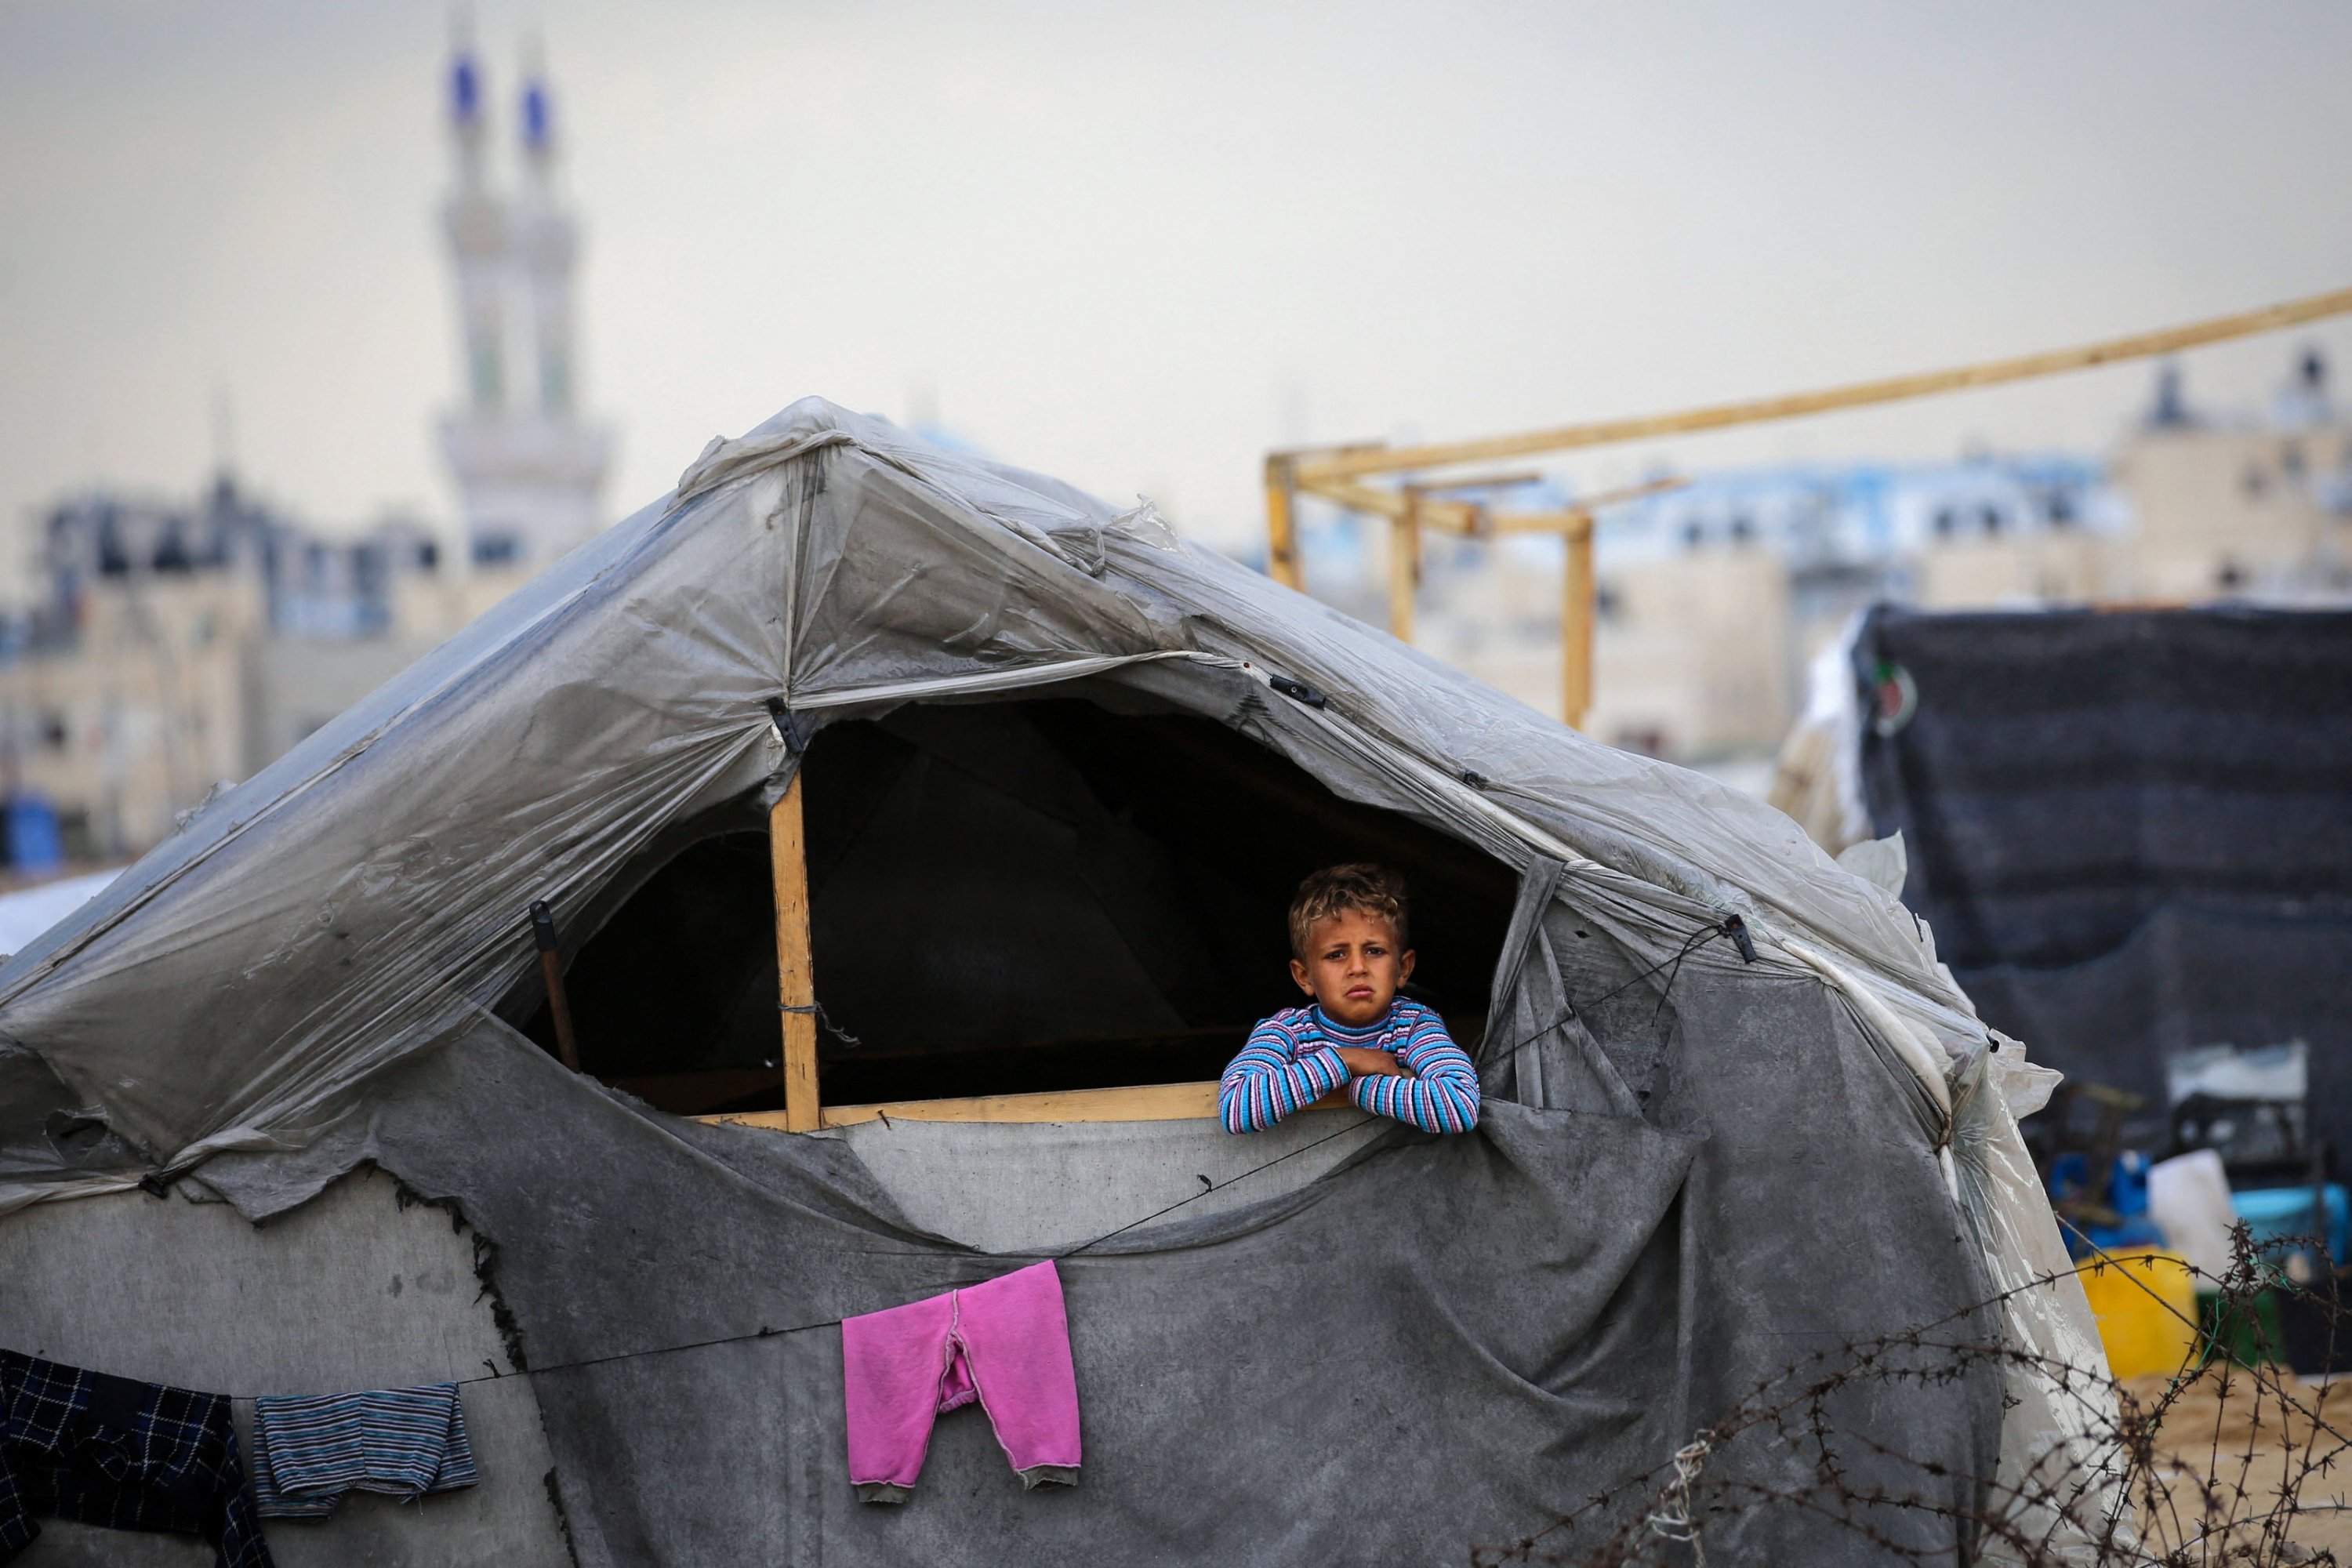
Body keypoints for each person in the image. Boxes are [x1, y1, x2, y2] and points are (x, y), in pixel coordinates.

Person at [1218, 864, 1480, 1134]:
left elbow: (1460, 1105)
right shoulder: (1287, 1031)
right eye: (1336, 955)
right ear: (1304, 976)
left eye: (1374, 951)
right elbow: (1235, 1108)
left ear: (1403, 968)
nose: (1358, 967)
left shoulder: (1414, 1025)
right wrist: (1346, 1061)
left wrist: (1355, 1087)